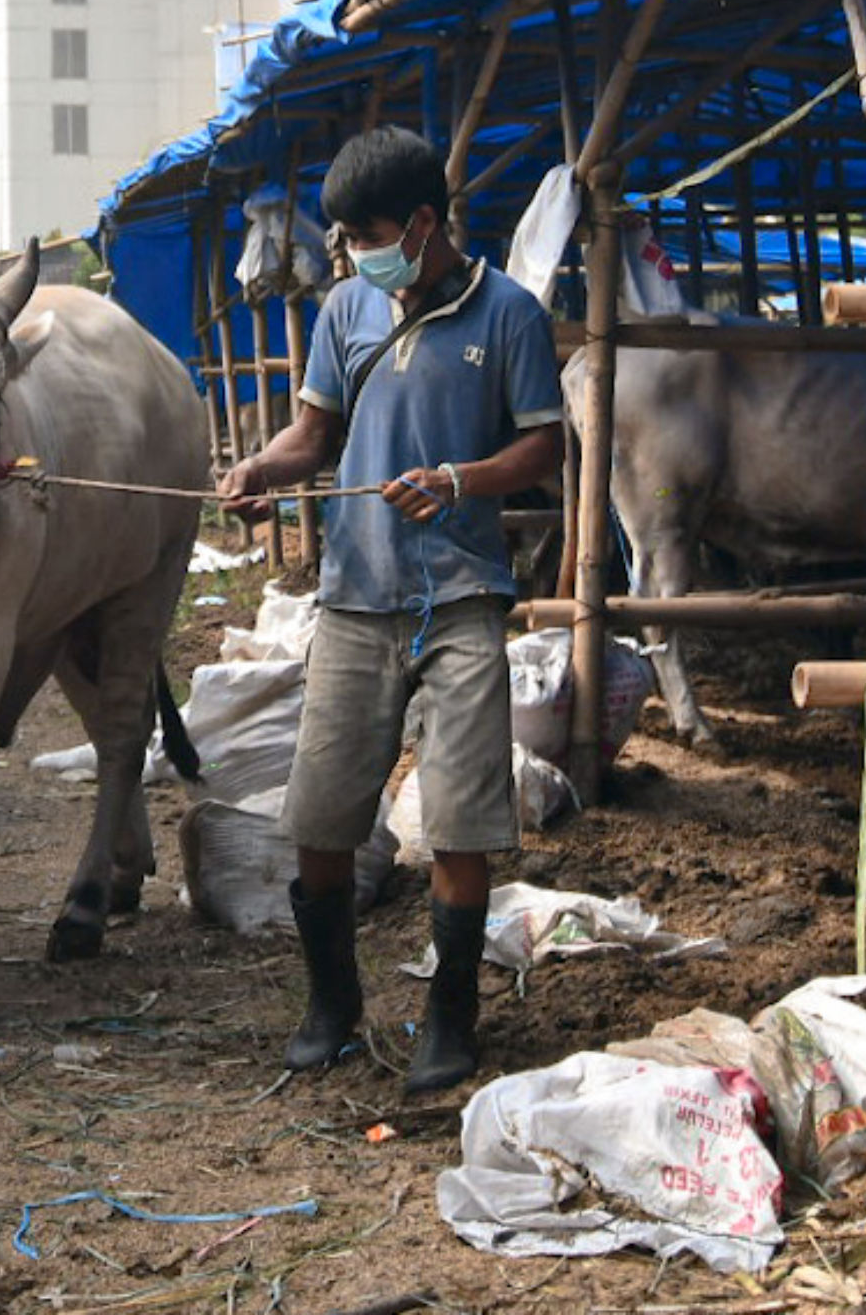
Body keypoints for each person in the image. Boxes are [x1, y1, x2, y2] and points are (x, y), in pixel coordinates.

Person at [217, 126, 566, 1094]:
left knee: (458, 820)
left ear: (420, 223)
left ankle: (450, 1015)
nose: (351, 253)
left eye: (364, 232)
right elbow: (312, 433)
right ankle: (332, 1003)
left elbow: (543, 448)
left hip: (460, 599)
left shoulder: (509, 316)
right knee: (321, 814)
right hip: (355, 598)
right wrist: (263, 469)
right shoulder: (344, 310)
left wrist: (461, 479)